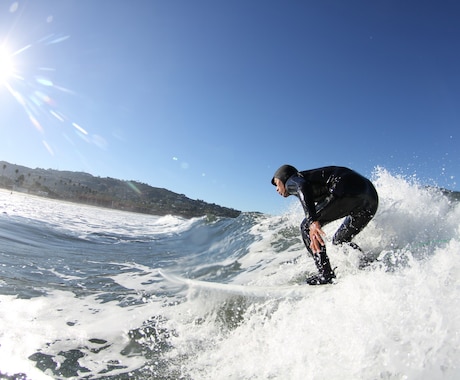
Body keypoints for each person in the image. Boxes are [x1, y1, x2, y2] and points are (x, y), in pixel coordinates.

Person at [271, 165, 379, 285]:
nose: (276, 189)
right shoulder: (312, 180)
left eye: (276, 183)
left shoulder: (293, 180)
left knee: (306, 226)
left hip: (344, 187)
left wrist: (312, 220)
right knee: (340, 240)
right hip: (371, 197)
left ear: (283, 177)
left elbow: (302, 186)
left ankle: (325, 274)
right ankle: (369, 265)